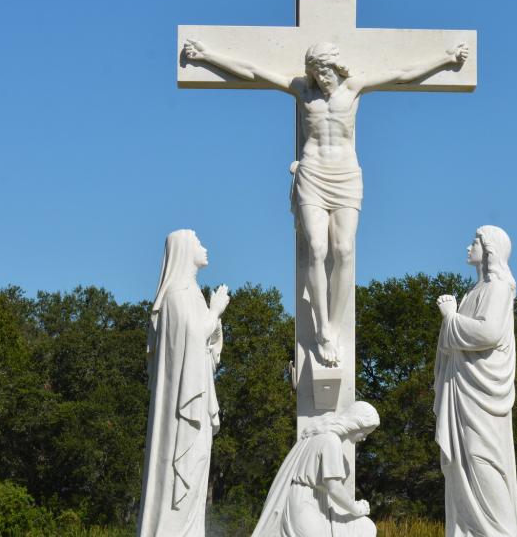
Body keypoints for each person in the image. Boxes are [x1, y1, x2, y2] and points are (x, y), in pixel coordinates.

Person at [182, 39, 468, 366]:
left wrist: (445, 58)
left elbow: (402, 73)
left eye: (326, 71)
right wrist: (206, 55)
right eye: (317, 72)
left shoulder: (354, 88)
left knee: (344, 250)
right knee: (317, 248)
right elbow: (252, 70)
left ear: (335, 67)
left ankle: (334, 322)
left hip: (346, 175)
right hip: (313, 173)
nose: (323, 78)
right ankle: (323, 328)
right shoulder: (302, 90)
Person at [137, 229, 230, 537]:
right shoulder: (177, 294)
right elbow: (192, 336)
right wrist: (215, 312)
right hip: (183, 404)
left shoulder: (192, 293)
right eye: (198, 242)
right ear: (185, 250)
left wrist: (213, 321)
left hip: (198, 395)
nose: (205, 247)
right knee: (187, 463)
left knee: (199, 462)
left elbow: (205, 349)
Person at [434, 226, 517, 537]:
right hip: (463, 388)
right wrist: (453, 319)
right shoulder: (472, 293)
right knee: (462, 462)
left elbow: (488, 333)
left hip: (484, 394)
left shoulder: (498, 288)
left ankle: (499, 530)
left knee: (480, 456)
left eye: (475, 240)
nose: (469, 246)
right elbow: (454, 343)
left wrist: (451, 318)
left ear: (489, 249)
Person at [251, 401, 380, 537]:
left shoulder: (318, 434)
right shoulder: (331, 441)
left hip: (309, 501)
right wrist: (356, 509)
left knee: (364, 527)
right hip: (306, 504)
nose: (364, 438)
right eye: (365, 432)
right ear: (356, 424)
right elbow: (335, 488)